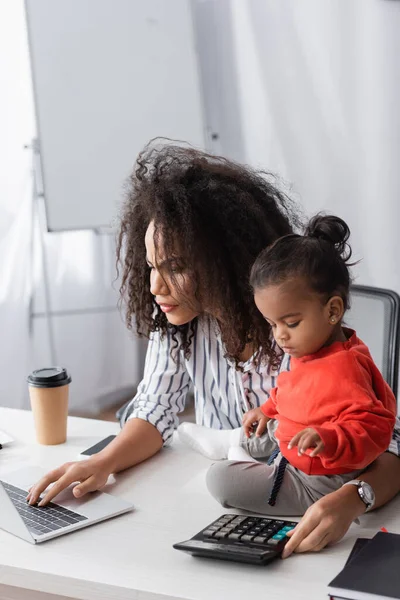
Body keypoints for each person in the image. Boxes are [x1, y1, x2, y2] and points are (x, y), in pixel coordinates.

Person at [26, 143, 400, 558]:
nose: (155, 287)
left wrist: (354, 496)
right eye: (151, 265)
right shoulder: (178, 322)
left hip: (313, 513)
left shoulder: (298, 324)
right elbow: (154, 410)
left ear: (226, 261)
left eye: (176, 267)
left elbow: (390, 440)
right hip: (223, 505)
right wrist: (102, 463)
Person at [205, 214, 396, 514]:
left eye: (291, 323)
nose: (280, 336)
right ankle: (232, 444)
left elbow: (372, 426)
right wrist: (267, 410)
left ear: (333, 310)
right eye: (272, 324)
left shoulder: (344, 368)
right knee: (269, 430)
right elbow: (293, 391)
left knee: (219, 480)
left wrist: (329, 438)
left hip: (318, 483)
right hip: (295, 451)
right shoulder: (313, 350)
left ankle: (238, 454)